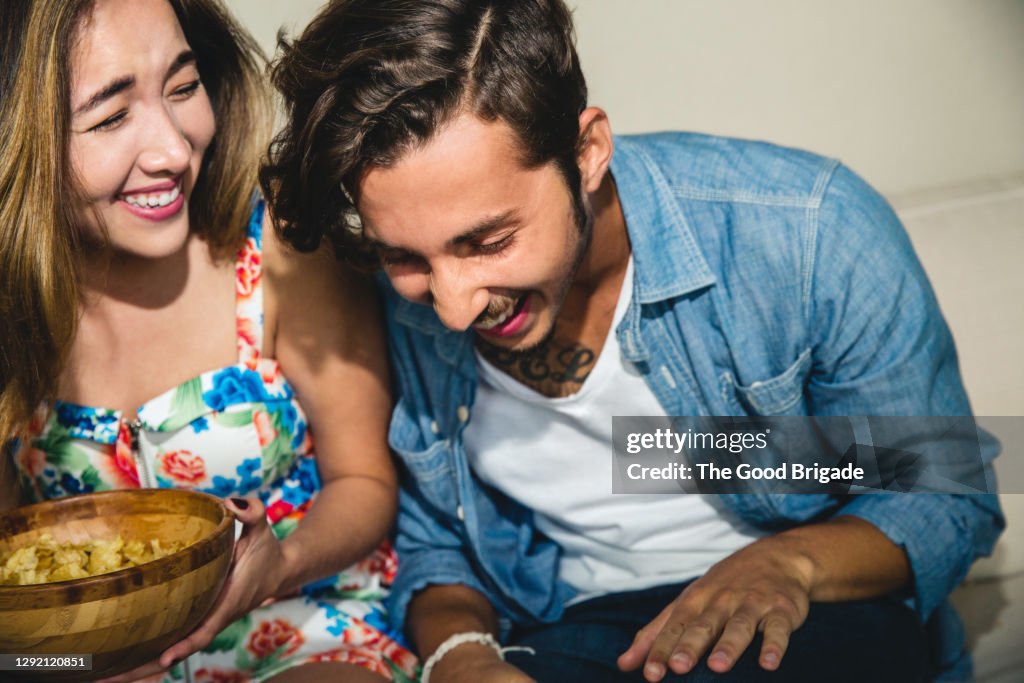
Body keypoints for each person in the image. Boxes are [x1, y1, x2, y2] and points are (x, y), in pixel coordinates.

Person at [261, 1, 1004, 681]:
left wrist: (792, 561)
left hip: (817, 617)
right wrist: (463, 656)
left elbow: (948, 489)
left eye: (488, 240)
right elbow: (435, 551)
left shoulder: (807, 231)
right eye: (408, 257)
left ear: (586, 153)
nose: (452, 308)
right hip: (576, 633)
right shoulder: (404, 300)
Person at [0, 1, 418, 681]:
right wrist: (65, 665)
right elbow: (12, 612)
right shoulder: (13, 314)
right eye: (110, 117)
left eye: (183, 87)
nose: (172, 148)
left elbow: (366, 482)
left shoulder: (279, 247)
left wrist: (278, 561)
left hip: (303, 627)